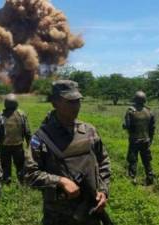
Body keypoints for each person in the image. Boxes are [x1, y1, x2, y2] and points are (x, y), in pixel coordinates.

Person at [24, 80, 111, 225]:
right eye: (70, 101)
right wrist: (60, 181)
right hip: (58, 215)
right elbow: (29, 174)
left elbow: (104, 161)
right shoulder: (42, 137)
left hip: (90, 210)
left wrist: (103, 190)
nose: (76, 106)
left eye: (78, 101)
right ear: (54, 103)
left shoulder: (89, 131)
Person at [123, 91, 155, 185]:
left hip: (134, 140)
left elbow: (127, 126)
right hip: (146, 140)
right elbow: (152, 127)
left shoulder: (130, 111)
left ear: (135, 99)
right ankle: (150, 178)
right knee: (147, 160)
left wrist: (124, 126)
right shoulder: (149, 111)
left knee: (133, 160)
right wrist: (150, 139)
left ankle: (132, 179)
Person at [0, 94, 31, 184]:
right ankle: (21, 180)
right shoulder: (21, 114)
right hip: (18, 145)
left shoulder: (0, 114)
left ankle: (7, 179)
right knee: (20, 165)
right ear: (16, 103)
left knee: (5, 165)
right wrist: (29, 144)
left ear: (5, 104)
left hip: (4, 145)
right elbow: (27, 131)